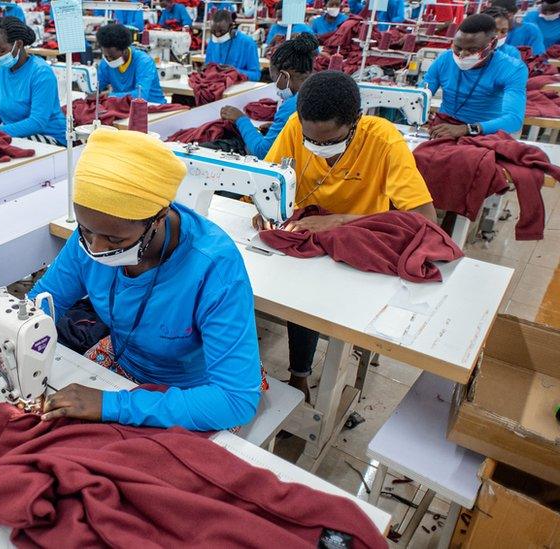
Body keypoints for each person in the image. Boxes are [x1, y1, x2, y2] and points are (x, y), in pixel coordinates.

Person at [30, 129, 262, 430]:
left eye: (114, 239)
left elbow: (235, 400)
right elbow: (43, 304)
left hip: (195, 393)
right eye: (85, 230)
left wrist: (113, 405)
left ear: (159, 217)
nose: (96, 249)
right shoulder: (89, 239)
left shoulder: (214, 268)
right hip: (122, 362)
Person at [263, 71, 436, 400]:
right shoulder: (295, 126)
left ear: (356, 121)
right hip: (302, 234)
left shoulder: (384, 140)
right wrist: (263, 201)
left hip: (354, 244)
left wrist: (340, 221)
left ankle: (301, 375)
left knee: (308, 301)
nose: (316, 147)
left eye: (328, 141)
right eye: (310, 139)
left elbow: (425, 219)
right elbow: (269, 179)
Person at [421, 13, 527, 139]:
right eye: (458, 48)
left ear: (492, 44)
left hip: (485, 134)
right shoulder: (444, 59)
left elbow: (513, 120)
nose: (461, 55)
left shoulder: (512, 68)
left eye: (472, 50)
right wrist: (422, 112)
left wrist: (467, 129)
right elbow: (420, 95)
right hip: (444, 128)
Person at [221, 33, 317, 158]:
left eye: (275, 80)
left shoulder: (293, 104)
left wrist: (240, 119)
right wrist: (279, 129)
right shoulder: (316, 88)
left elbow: (263, 153)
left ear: (284, 76)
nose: (276, 85)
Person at [0, 17, 65, 144]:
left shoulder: (41, 73)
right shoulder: (3, 71)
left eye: (2, 50)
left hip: (50, 138)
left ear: (19, 44)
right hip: (17, 136)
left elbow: (37, 122)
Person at [96, 23, 166, 103]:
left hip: (153, 107)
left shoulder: (144, 62)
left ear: (125, 50)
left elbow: (140, 95)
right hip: (125, 107)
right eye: (106, 56)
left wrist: (110, 96)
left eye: (112, 57)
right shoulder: (105, 63)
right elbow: (96, 87)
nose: (109, 60)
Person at [205, 9, 261, 80]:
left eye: (221, 31)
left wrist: (235, 72)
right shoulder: (213, 41)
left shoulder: (247, 43)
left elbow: (256, 75)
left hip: (240, 88)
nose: (217, 35)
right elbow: (207, 67)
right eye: (214, 31)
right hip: (216, 86)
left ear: (232, 28)